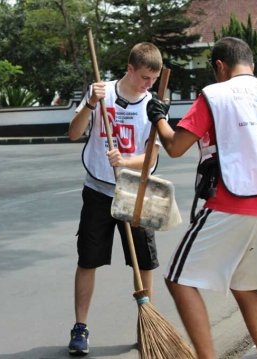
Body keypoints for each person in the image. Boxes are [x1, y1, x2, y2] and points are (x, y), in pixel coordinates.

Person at [146, 37, 257, 359]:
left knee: (178, 278)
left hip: (228, 203)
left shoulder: (215, 95)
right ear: (251, 64)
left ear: (219, 66)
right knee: (246, 288)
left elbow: (176, 146)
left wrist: (160, 119)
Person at [67, 42, 166, 355]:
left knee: (145, 262)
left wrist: (126, 162)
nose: (148, 84)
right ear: (130, 68)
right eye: (144, 78)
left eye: (154, 78)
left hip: (135, 190)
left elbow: (151, 158)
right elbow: (73, 133)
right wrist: (90, 106)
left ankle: (144, 325)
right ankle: (80, 328)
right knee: (88, 260)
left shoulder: (152, 104)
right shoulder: (102, 92)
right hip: (98, 189)